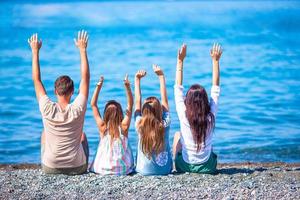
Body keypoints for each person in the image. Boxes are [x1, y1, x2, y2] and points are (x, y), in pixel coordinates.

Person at [28, 30, 90, 175]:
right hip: (77, 167)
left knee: (44, 134)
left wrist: (35, 51)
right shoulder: (78, 108)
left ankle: (51, 161)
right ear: (72, 92)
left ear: (55, 91)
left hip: (50, 168)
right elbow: (85, 78)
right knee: (83, 136)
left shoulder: (47, 107)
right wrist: (82, 50)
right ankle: (84, 164)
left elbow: (36, 80)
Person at [173, 43, 222, 174]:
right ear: (205, 101)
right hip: (208, 167)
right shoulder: (210, 116)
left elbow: (178, 89)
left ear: (187, 101)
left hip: (184, 167)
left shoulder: (183, 116)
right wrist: (215, 61)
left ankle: (175, 165)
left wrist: (180, 61)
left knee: (178, 134)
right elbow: (215, 90)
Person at [89, 74, 134, 175]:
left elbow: (93, 104)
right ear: (120, 113)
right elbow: (130, 105)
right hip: (122, 170)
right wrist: (127, 87)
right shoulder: (123, 127)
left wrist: (98, 87)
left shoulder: (103, 127)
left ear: (106, 113)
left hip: (102, 169)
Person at [134, 65, 172, 175]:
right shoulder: (165, 123)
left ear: (143, 111)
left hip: (142, 171)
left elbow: (137, 102)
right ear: (160, 111)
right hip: (165, 170)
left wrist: (137, 80)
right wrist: (161, 76)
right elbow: (165, 101)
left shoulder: (139, 124)